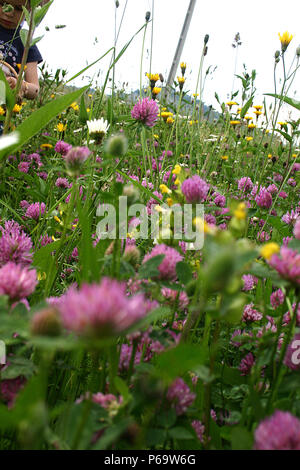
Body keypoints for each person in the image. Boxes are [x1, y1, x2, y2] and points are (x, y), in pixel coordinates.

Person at [0, 0, 43, 101]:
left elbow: (35, 89)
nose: (9, 13)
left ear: (30, 10)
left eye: (19, 9)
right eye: (3, 4)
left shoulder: (27, 42)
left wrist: (21, 85)